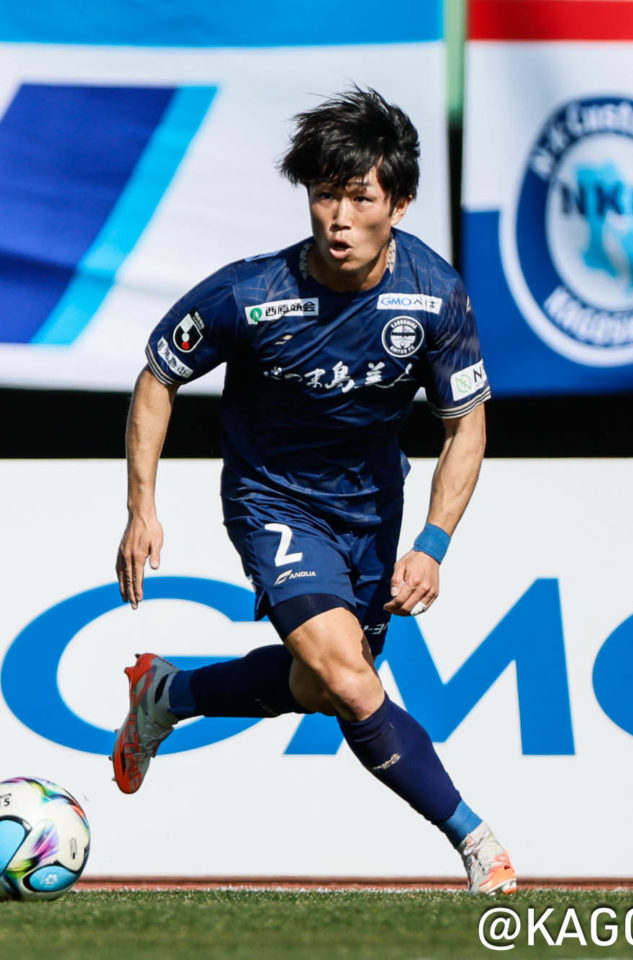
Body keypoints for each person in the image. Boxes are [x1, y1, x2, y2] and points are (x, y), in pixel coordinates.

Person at [111, 88, 513, 895]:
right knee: (353, 682)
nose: (338, 218)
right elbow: (158, 376)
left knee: (319, 686)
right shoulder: (251, 294)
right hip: (273, 502)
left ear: (399, 203)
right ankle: (479, 844)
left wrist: (432, 544)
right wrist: (141, 507)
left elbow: (465, 424)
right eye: (325, 195)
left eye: (359, 197)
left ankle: (168, 692)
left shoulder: (434, 296)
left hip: (372, 512)